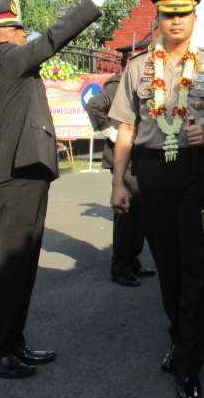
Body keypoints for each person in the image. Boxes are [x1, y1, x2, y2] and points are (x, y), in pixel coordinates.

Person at [0, 0, 132, 378]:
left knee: (22, 268)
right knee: (7, 270)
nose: (22, 33)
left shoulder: (11, 62)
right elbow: (52, 39)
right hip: (13, 176)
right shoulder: (2, 58)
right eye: (14, 28)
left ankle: (13, 343)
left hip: (28, 173)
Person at [108, 0, 204, 398]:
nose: (176, 21)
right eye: (168, 14)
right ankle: (178, 338)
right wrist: (118, 183)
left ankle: (189, 363)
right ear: (158, 17)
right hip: (151, 171)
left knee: (196, 267)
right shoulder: (136, 69)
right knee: (166, 265)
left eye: (183, 14)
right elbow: (126, 129)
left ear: (195, 17)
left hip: (196, 171)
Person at [84, 45, 156, 287]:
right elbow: (94, 106)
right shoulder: (117, 84)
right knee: (127, 214)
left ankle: (132, 260)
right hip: (124, 158)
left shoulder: (144, 82)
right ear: (129, 62)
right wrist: (112, 134)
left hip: (139, 157)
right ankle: (120, 266)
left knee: (140, 215)